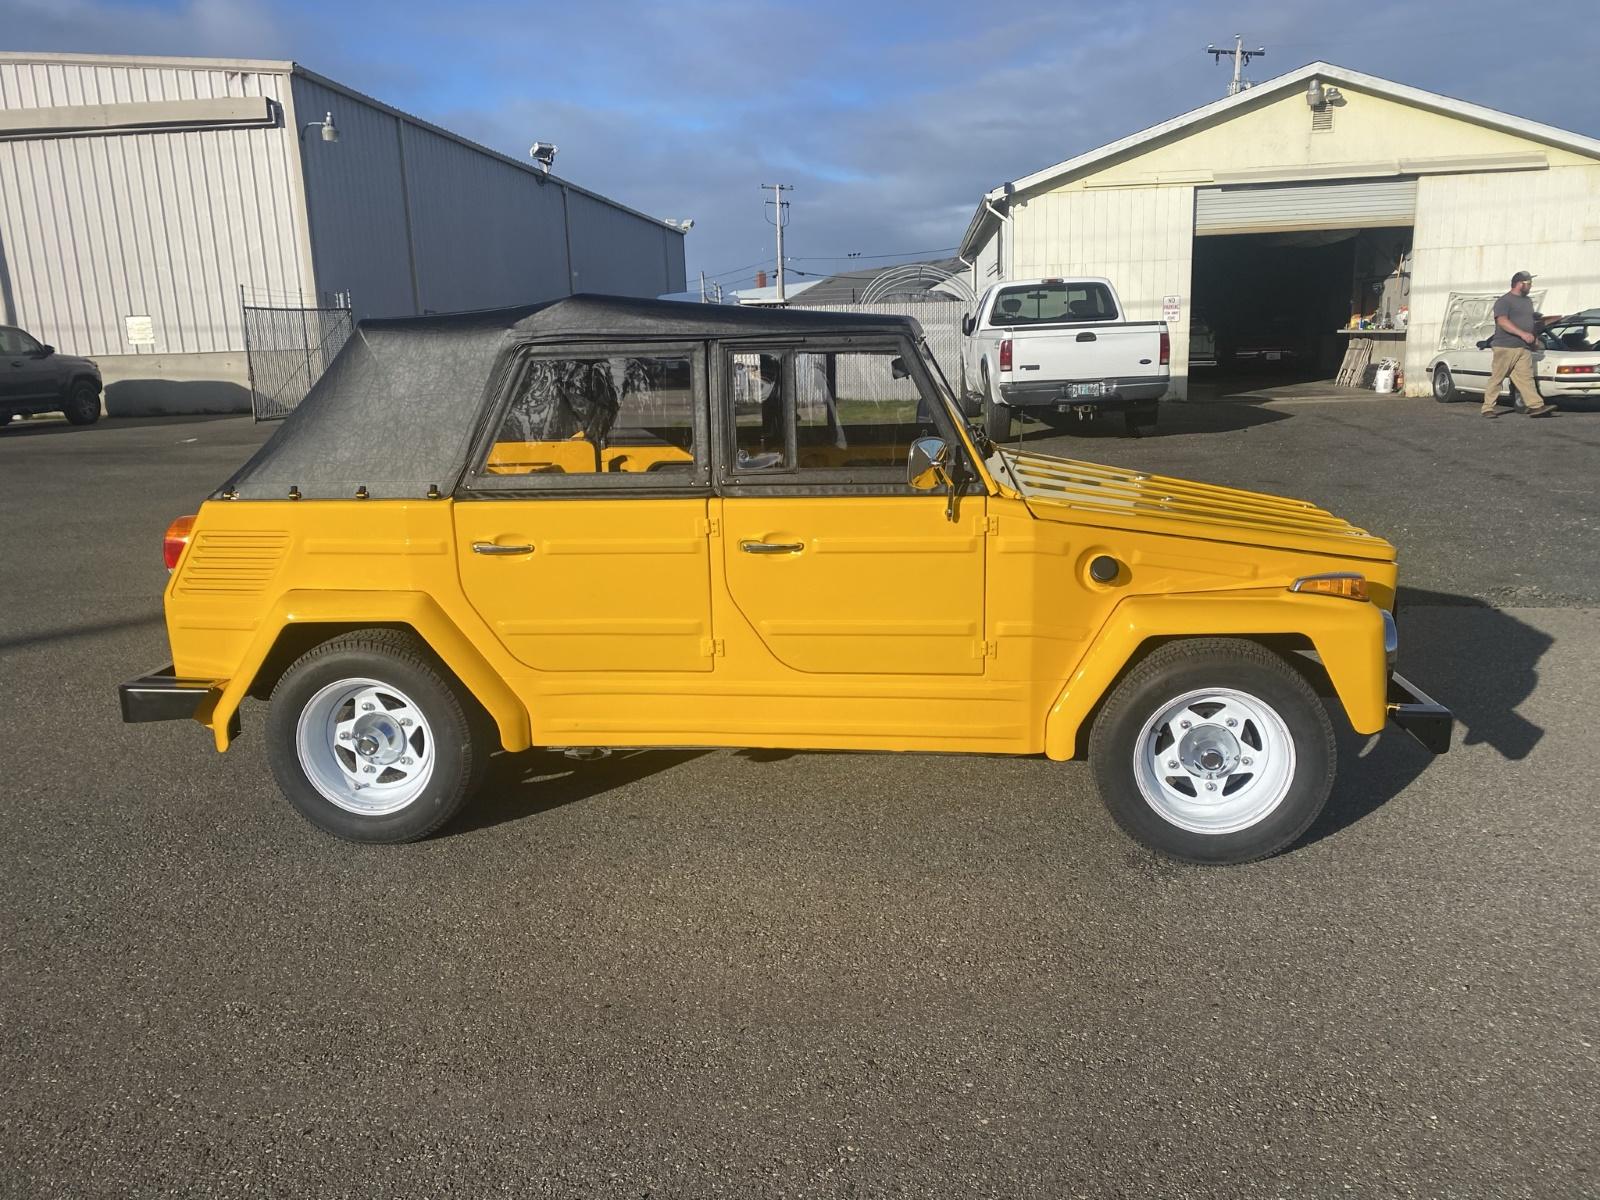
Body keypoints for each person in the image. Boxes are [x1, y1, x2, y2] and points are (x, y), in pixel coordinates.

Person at [1481, 272, 1561, 418]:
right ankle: (1487, 408)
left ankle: (1536, 406)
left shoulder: (1527, 302)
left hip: (1523, 347)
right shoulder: (1504, 301)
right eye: (1529, 283)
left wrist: (1534, 338)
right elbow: (1502, 321)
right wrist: (1522, 334)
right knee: (1497, 378)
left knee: (1526, 378)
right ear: (1520, 284)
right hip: (1505, 346)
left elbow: (1529, 323)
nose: (1531, 286)